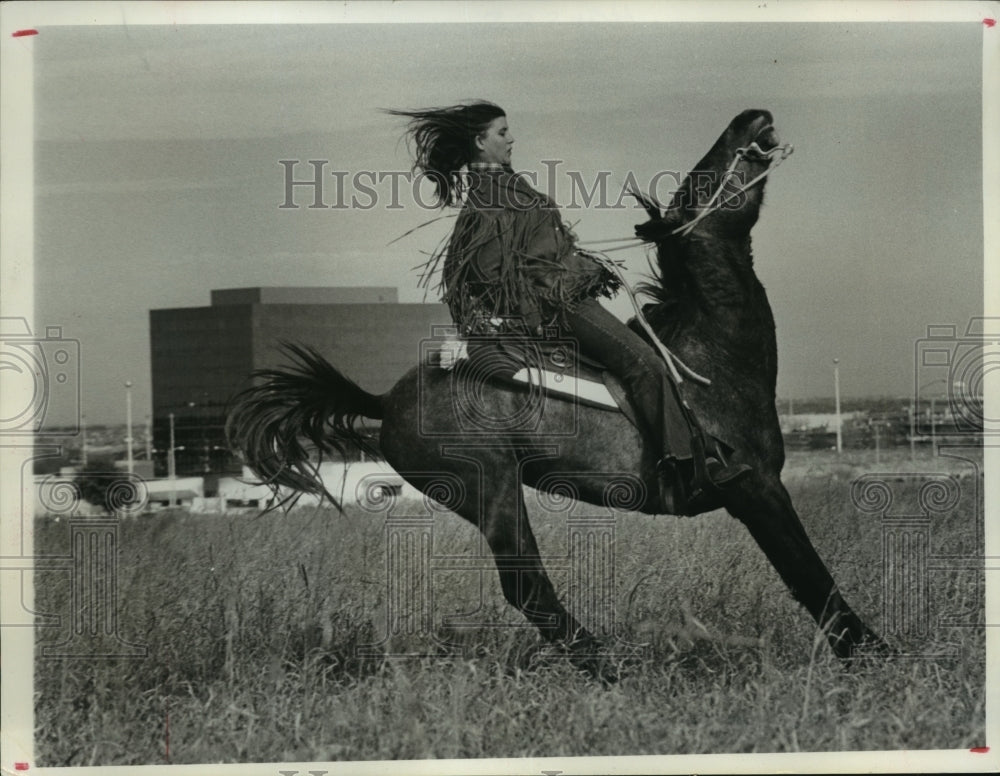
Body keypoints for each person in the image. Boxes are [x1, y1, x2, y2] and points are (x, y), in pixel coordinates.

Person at [386, 100, 750, 513]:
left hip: (567, 296)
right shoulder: (489, 202)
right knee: (644, 363)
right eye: (502, 132)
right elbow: (484, 273)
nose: (511, 139)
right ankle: (687, 469)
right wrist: (534, 314)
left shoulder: (505, 186)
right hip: (563, 307)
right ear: (479, 142)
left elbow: (537, 251)